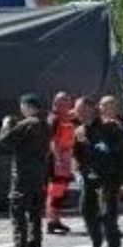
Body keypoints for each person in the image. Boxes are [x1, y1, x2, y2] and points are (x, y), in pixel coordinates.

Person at [72, 96, 123, 247]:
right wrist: (79, 172)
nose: (78, 114)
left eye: (80, 110)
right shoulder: (80, 131)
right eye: (77, 111)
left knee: (108, 216)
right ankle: (96, 244)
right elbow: (77, 154)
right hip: (90, 178)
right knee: (86, 211)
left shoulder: (111, 128)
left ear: (90, 109)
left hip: (110, 178)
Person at [0, 92, 53, 247]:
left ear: (27, 107)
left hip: (22, 176)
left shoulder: (27, 124)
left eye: (22, 106)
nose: (21, 110)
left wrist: (6, 125)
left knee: (18, 213)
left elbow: (5, 140)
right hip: (39, 176)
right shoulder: (45, 125)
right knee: (35, 216)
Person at [45, 92, 76, 235]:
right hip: (57, 161)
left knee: (60, 191)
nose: (66, 105)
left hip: (64, 159)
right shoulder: (54, 119)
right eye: (63, 102)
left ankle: (56, 220)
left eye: (68, 102)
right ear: (56, 104)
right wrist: (58, 160)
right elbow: (51, 141)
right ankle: (51, 221)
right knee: (56, 191)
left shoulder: (66, 118)